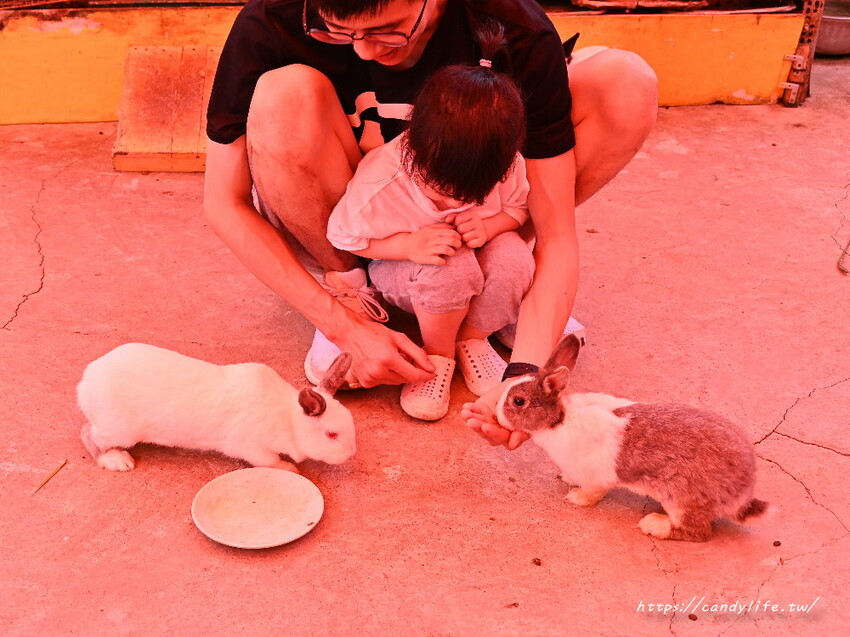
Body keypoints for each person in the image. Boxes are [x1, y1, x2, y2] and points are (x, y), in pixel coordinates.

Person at [203, 0, 658, 447]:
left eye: (387, 30)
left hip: (478, 220)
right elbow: (224, 203)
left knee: (624, 82)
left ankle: (496, 286)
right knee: (282, 91)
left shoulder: (512, 24)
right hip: (361, 220)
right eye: (338, 32)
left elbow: (556, 232)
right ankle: (355, 291)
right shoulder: (275, 19)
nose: (363, 51)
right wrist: (345, 327)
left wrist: (524, 376)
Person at [326, 21, 534, 421]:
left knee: (514, 256)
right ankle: (438, 354)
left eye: (473, 193)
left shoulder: (508, 165)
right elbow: (343, 235)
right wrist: (408, 245)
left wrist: (492, 226)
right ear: (415, 148)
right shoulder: (382, 179)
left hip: (476, 264)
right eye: (442, 188)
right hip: (408, 272)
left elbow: (519, 210)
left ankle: (472, 338)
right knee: (448, 265)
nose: (456, 202)